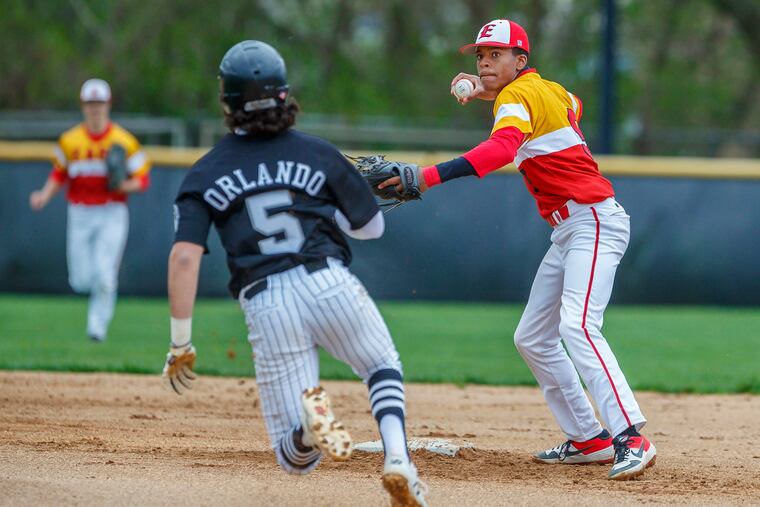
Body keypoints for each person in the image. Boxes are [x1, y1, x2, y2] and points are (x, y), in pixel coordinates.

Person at [378, 19, 656, 481]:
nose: (485, 62)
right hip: (571, 228)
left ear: (520, 60)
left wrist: (426, 176)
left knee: (578, 325)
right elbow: (570, 106)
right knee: (532, 337)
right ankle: (589, 438)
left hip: (592, 220)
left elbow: (500, 150)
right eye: (480, 57)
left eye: (496, 55)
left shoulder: (516, 98)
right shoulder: (554, 92)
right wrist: (482, 89)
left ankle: (631, 436)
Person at [162, 40, 428, 506]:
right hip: (328, 280)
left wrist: (181, 343)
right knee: (380, 365)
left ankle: (308, 428)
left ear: (227, 102)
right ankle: (399, 460)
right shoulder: (318, 153)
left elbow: (184, 257)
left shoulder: (205, 172)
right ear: (284, 95)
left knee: (296, 460)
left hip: (265, 300)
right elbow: (373, 227)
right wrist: (328, 212)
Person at [29, 79, 151, 342]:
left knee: (106, 276)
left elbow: (143, 180)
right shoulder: (69, 140)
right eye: (90, 103)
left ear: (108, 105)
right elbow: (58, 174)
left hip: (111, 212)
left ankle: (97, 328)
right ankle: (96, 300)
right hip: (80, 213)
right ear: (83, 106)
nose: (95, 108)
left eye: (99, 103)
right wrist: (43, 195)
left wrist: (121, 184)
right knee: (81, 280)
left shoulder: (124, 140)